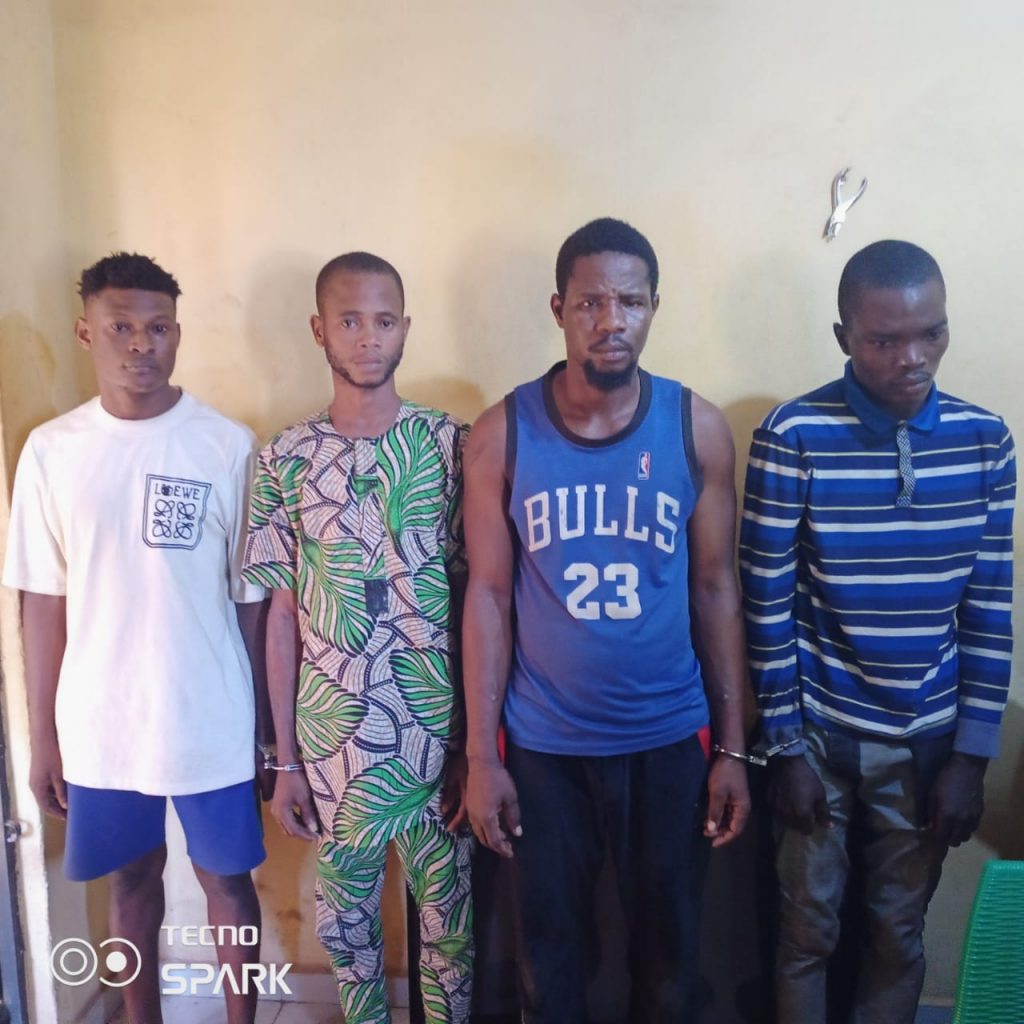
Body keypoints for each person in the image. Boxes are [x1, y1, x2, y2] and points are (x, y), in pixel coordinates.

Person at [462, 217, 751, 1023]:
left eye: (630, 301)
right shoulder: (501, 434)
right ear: (559, 309)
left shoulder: (696, 428)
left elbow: (716, 588)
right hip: (544, 746)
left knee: (670, 961)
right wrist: (481, 755)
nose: (611, 320)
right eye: (591, 302)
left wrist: (732, 747)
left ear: (655, 307)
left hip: (669, 740)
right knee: (550, 964)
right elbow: (486, 596)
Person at [740, 239, 1016, 1023]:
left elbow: (989, 606)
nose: (912, 358)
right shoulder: (794, 436)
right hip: (819, 733)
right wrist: (785, 748)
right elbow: (765, 602)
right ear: (845, 338)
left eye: (931, 333)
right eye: (884, 340)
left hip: (927, 738)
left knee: (898, 932)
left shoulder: (985, 441)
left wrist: (970, 757)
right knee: (807, 928)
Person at [3, 252, 271, 1024]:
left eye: (158, 328)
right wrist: (45, 741)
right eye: (121, 327)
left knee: (227, 882)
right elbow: (42, 604)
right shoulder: (53, 451)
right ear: (86, 332)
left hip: (210, 712)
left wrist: (262, 725)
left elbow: (251, 599)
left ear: (177, 334)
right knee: (129, 880)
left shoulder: (226, 445)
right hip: (103, 721)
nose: (141, 344)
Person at [243, 252, 473, 1022]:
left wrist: (476, 745)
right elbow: (281, 618)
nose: (368, 337)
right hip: (333, 738)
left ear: (406, 328)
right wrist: (284, 759)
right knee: (348, 932)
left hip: (437, 731)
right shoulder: (284, 459)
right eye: (349, 321)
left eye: (383, 321)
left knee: (451, 927)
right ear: (319, 330)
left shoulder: (448, 445)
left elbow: (476, 593)